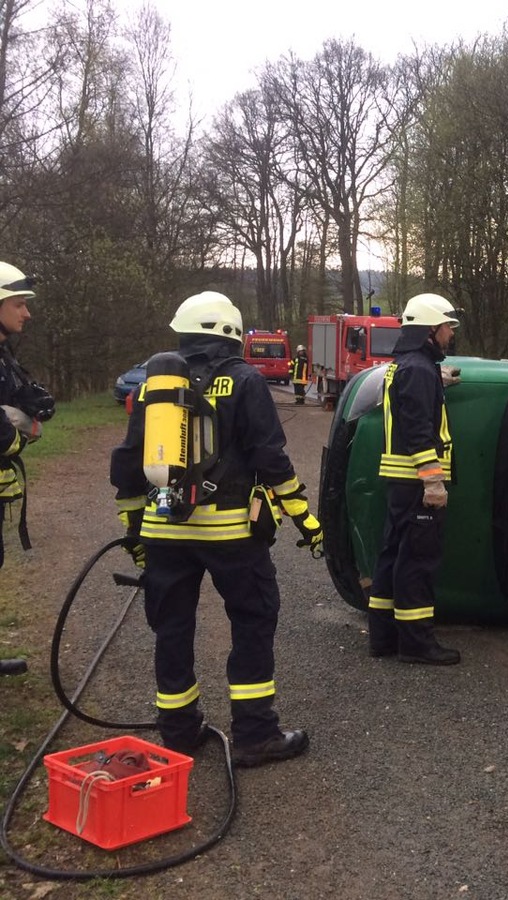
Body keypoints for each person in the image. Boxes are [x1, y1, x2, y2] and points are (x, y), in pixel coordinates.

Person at [110, 291, 319, 767]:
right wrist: (304, 517)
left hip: (164, 530)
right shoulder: (243, 379)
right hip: (229, 535)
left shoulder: (153, 385)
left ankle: (179, 733)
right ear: (230, 333)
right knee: (252, 621)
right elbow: (271, 456)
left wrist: (136, 528)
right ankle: (254, 734)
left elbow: (127, 462)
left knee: (172, 629)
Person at [367, 293, 463, 664]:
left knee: (393, 557)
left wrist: (434, 383)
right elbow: (418, 429)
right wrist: (432, 481)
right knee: (417, 563)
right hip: (417, 484)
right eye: (445, 328)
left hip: (400, 482)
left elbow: (408, 403)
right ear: (429, 330)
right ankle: (417, 644)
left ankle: (384, 638)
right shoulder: (418, 370)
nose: (449, 335)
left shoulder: (406, 366)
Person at [0, 262, 54, 678]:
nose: (27, 313)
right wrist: (21, 435)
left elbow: (26, 397)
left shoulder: (4, 354)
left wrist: (34, 408)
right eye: (19, 303)